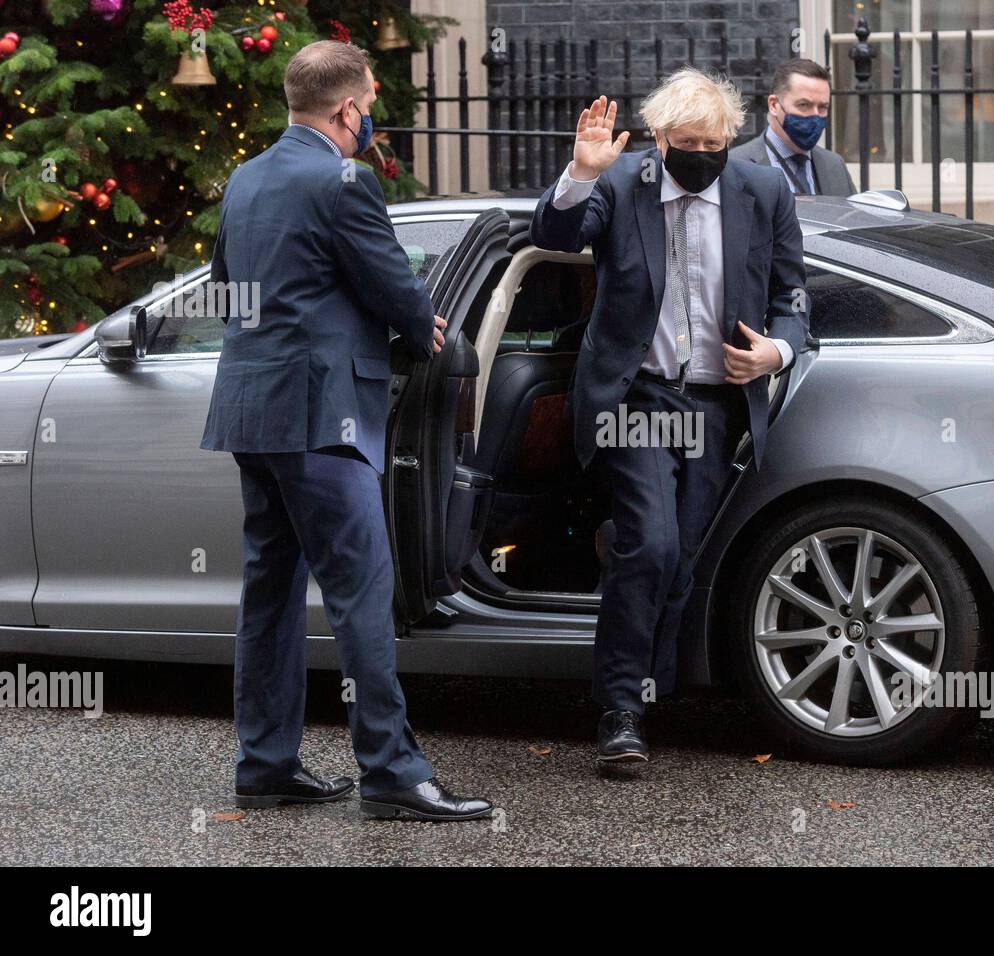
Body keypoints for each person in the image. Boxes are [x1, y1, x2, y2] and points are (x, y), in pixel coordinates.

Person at [200, 40, 491, 822]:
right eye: (369, 105)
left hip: (251, 412)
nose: (372, 120)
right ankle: (392, 771)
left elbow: (232, 290)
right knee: (363, 592)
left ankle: (264, 766)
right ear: (345, 110)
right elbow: (397, 290)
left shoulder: (246, 177)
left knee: (269, 591)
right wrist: (418, 325)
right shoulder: (344, 180)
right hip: (323, 416)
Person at [529, 69, 809, 766]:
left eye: (716, 142)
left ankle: (658, 691)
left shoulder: (764, 191)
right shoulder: (623, 183)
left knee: (682, 556)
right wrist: (580, 172)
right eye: (689, 142)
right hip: (638, 398)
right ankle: (620, 710)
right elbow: (556, 233)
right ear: (659, 138)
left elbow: (793, 294)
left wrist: (775, 351)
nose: (704, 154)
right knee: (649, 542)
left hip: (717, 402)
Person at [731, 58, 855, 196]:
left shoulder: (835, 165)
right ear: (773, 105)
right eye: (803, 105)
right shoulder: (736, 165)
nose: (815, 116)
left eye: (822, 107)